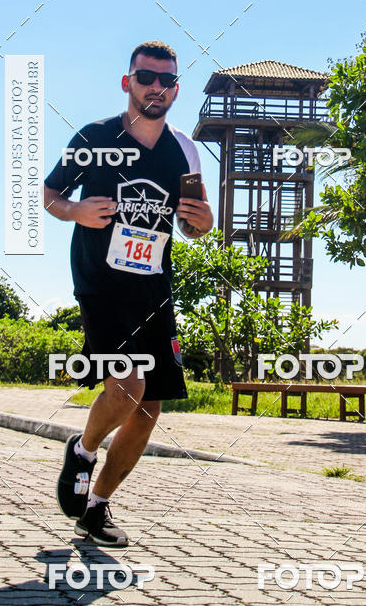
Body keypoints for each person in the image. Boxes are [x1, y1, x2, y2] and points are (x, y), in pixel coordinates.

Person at [43, 40, 213, 547]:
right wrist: (74, 211)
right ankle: (84, 449)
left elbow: (194, 224)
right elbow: (50, 193)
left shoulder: (185, 149)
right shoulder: (95, 137)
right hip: (101, 281)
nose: (156, 87)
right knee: (128, 386)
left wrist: (203, 222)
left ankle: (96, 507)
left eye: (167, 80)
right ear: (128, 82)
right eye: (146, 77)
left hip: (152, 288)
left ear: (176, 89)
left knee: (148, 409)